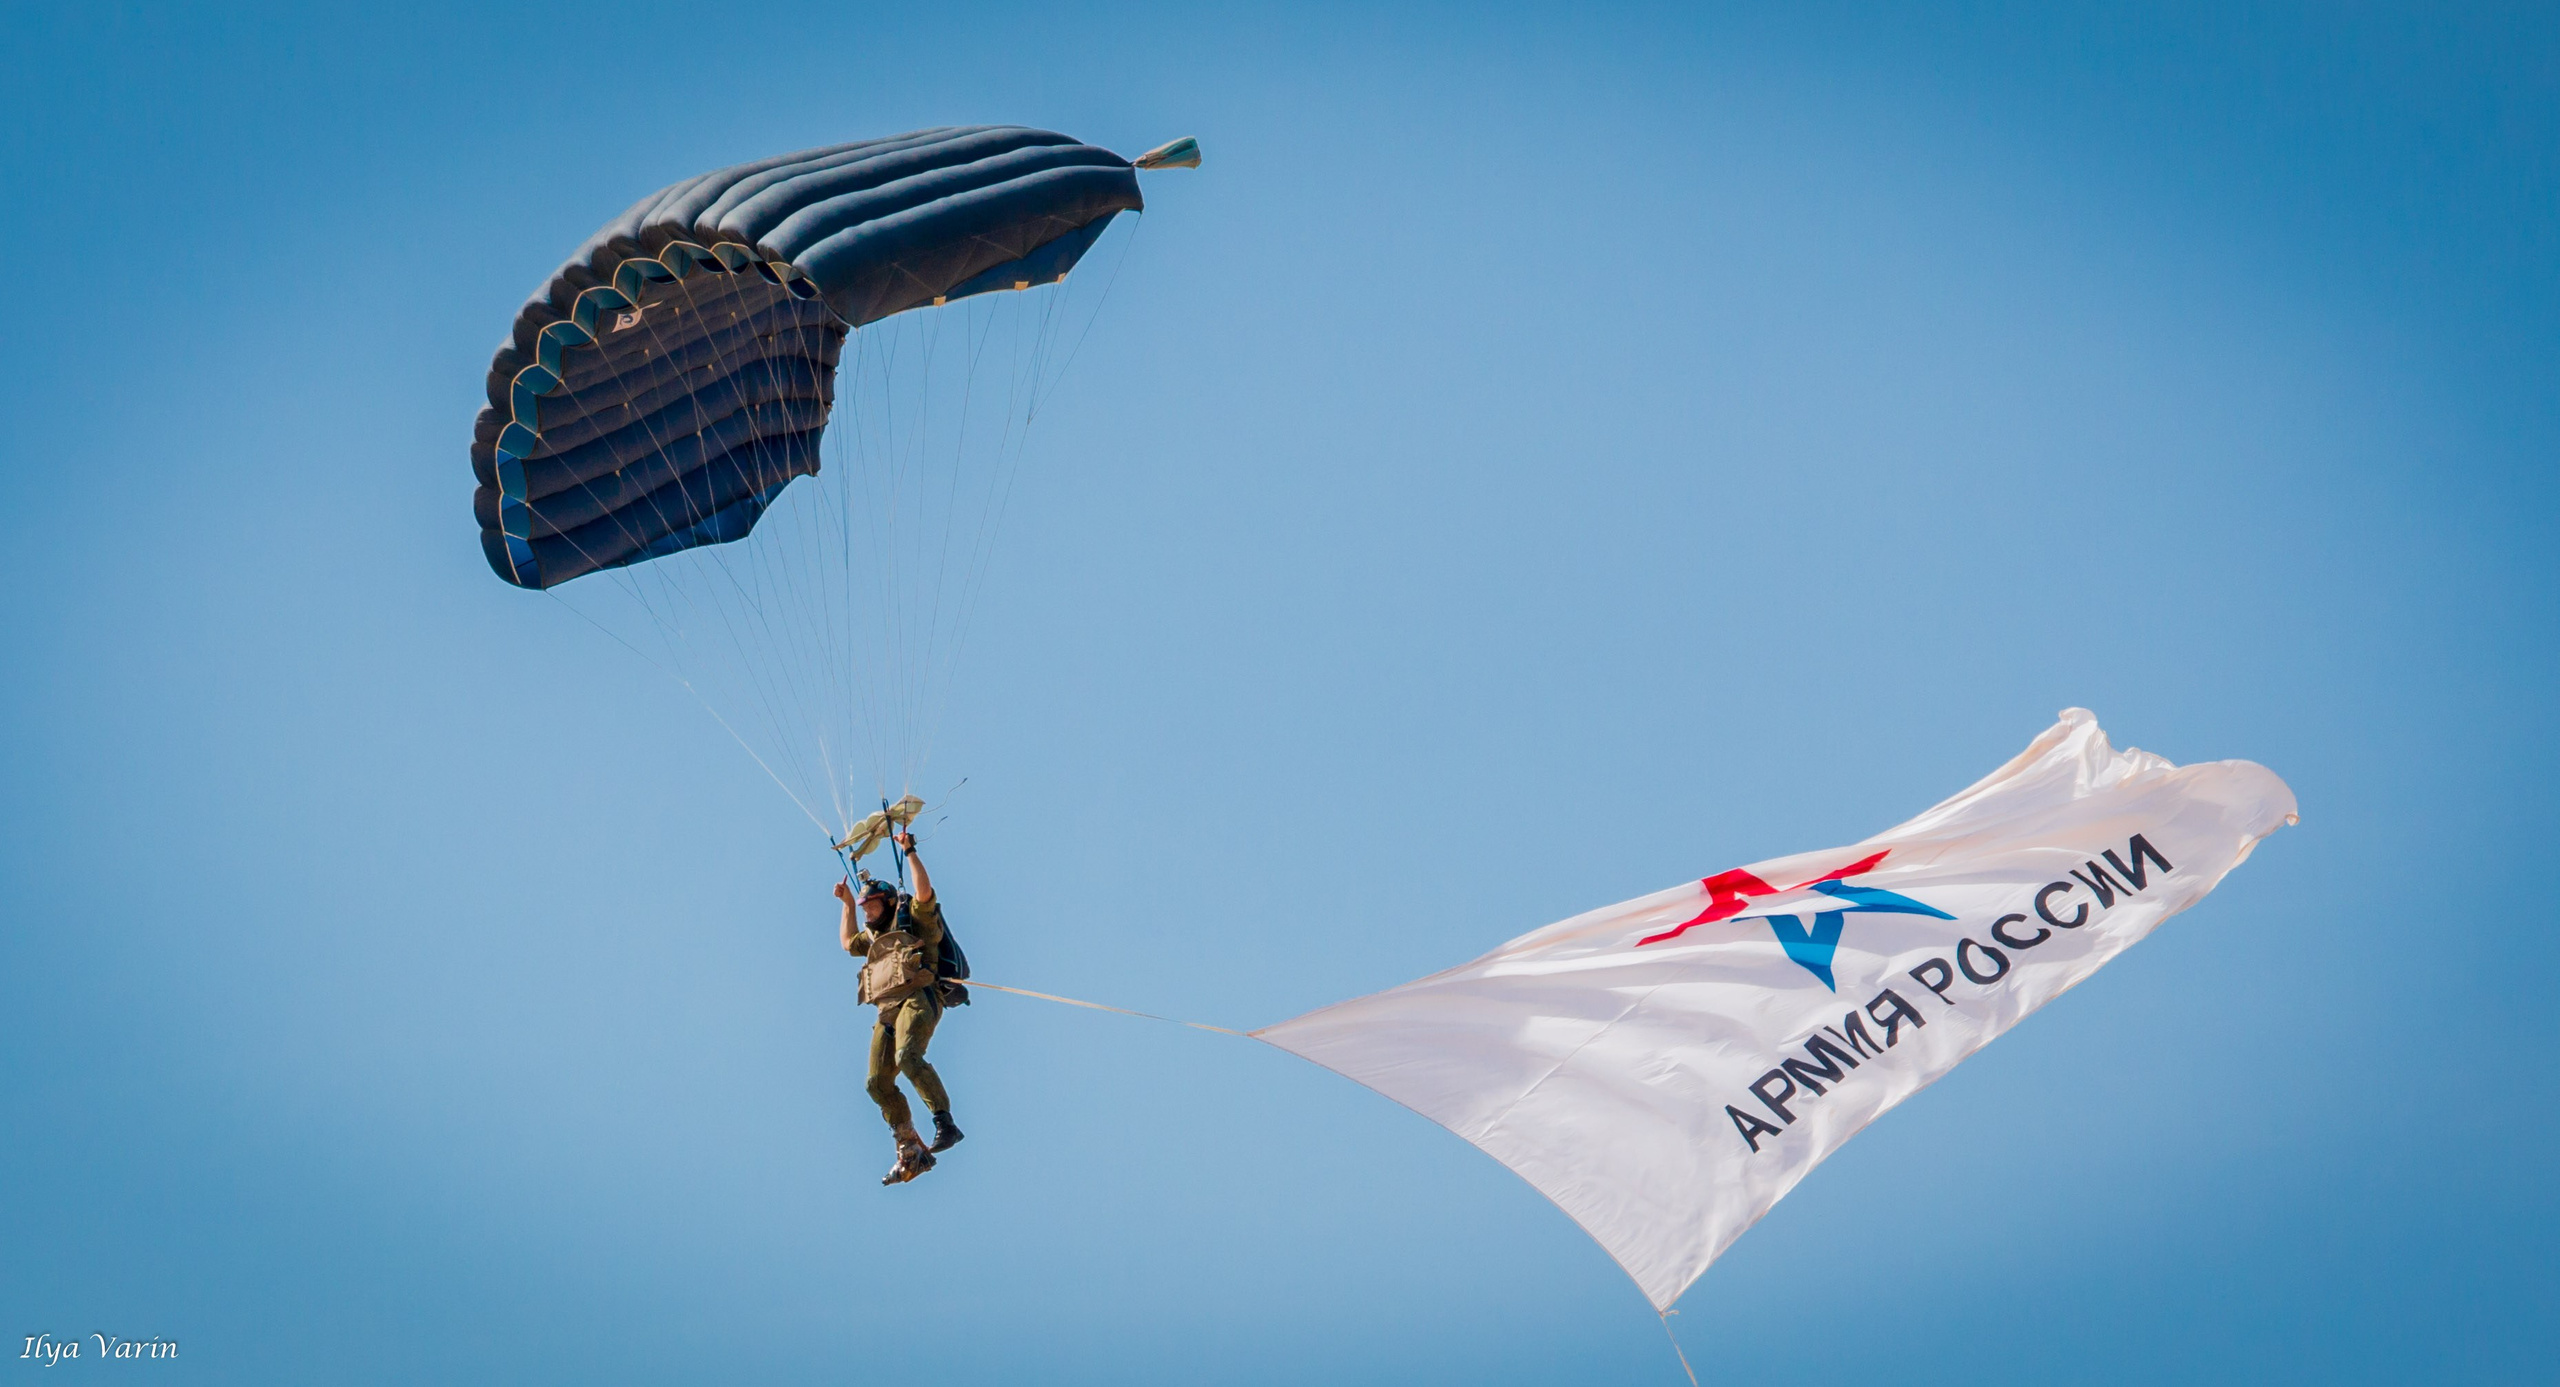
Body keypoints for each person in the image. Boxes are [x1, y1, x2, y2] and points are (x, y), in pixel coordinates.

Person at [835, 830, 965, 1185]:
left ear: (889, 903)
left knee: (908, 1056)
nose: (867, 913)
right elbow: (847, 943)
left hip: (919, 997)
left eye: (871, 906)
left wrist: (909, 852)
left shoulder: (914, 918)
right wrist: (846, 904)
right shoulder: (873, 936)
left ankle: (945, 1123)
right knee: (876, 1083)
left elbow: (924, 893)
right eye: (864, 908)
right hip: (888, 1011)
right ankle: (910, 1148)